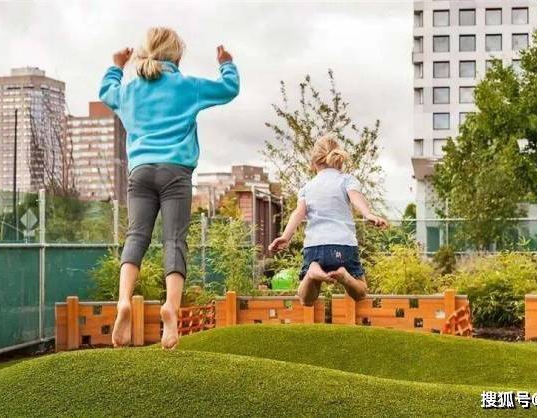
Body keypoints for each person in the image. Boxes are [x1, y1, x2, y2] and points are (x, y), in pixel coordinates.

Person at [99, 27, 239, 349]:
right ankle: (171, 309)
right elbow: (229, 89)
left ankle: (124, 300)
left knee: (136, 236)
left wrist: (116, 66)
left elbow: (107, 91)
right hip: (176, 172)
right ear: (177, 56)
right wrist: (227, 64)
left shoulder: (130, 91)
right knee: (174, 240)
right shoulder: (187, 86)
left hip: (140, 172)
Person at [268, 135, 388, 306]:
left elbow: (298, 213)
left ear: (313, 163)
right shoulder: (346, 180)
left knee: (306, 299)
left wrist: (285, 237)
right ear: (339, 160)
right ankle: (345, 276)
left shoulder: (307, 187)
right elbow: (356, 199)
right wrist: (368, 214)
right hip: (343, 245)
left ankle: (311, 274)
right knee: (361, 292)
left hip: (314, 247)